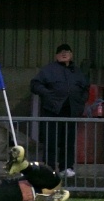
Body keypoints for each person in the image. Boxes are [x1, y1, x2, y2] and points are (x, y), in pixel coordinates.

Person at [30, 43, 90, 177]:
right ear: (56, 56)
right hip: (52, 110)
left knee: (68, 141)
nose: (64, 54)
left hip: (71, 111)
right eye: (61, 52)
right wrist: (48, 94)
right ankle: (49, 168)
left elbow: (86, 88)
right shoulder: (48, 70)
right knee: (50, 140)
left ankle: (66, 167)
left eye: (67, 51)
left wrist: (81, 101)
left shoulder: (78, 71)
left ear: (71, 55)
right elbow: (35, 85)